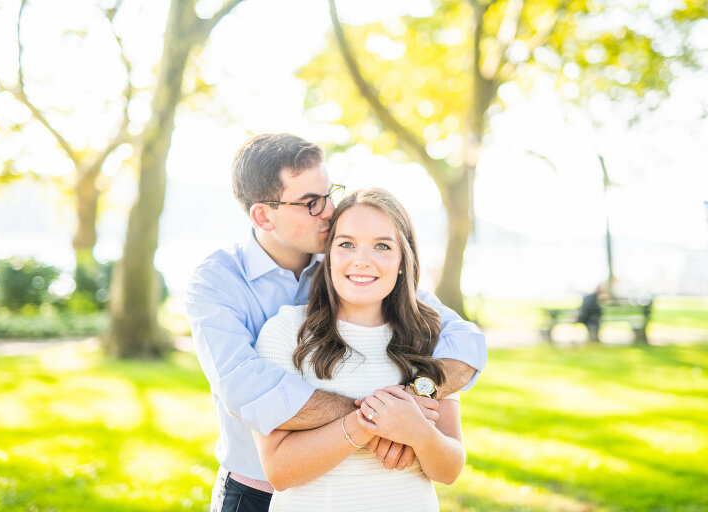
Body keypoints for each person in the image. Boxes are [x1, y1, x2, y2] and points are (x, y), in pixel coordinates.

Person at [185, 134, 487, 512]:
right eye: (311, 203)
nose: (329, 210)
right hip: (254, 490)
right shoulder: (217, 282)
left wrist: (415, 400)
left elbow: (463, 341)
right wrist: (382, 418)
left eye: (329, 193)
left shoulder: (348, 263)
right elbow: (247, 389)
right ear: (263, 215)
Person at [253, 188, 465, 511]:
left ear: (402, 261)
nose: (361, 260)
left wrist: (419, 433)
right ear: (328, 257)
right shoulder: (285, 334)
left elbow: (449, 469)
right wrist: (369, 422)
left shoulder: (430, 336)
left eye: (382, 246)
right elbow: (278, 471)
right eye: (346, 244)